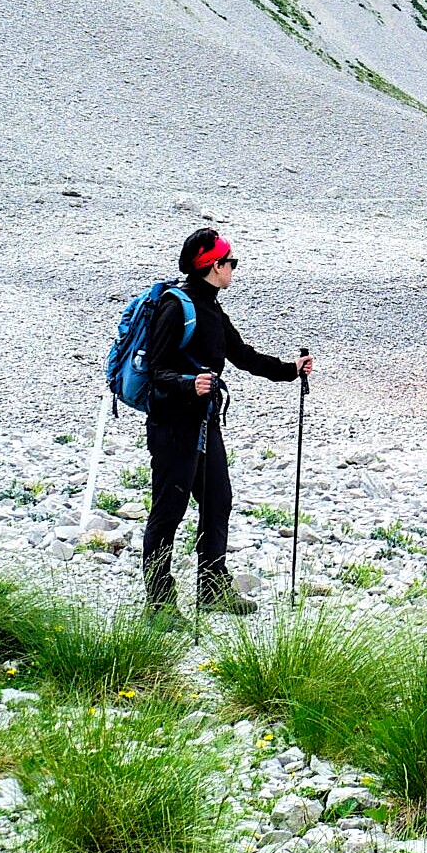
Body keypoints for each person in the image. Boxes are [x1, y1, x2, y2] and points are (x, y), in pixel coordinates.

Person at [141, 227, 313, 621]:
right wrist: (189, 383)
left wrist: (291, 370)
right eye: (230, 262)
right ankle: (159, 604)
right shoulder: (176, 306)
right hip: (172, 426)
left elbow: (241, 355)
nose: (234, 268)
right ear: (213, 267)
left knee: (218, 501)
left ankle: (212, 588)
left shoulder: (212, 308)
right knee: (169, 511)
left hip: (204, 423)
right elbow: (156, 371)